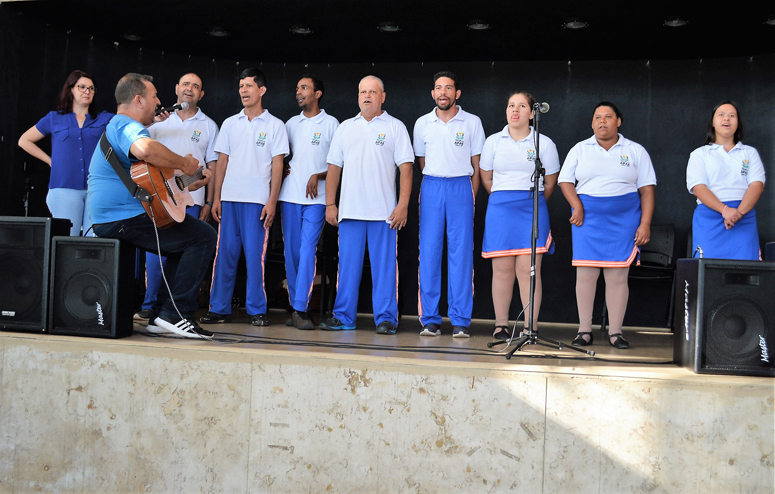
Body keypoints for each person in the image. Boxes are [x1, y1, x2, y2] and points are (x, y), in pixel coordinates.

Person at [87, 73, 216, 338]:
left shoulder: (120, 126)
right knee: (203, 236)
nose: (159, 102)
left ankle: (160, 316)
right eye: (154, 96)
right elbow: (146, 149)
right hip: (122, 218)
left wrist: (189, 182)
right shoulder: (125, 125)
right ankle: (175, 313)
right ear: (138, 100)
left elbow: (152, 183)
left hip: (123, 215)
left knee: (185, 238)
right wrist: (184, 162)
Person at [319, 75, 414, 335]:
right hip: (350, 212)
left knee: (385, 268)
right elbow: (333, 168)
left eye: (373, 91)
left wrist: (403, 205)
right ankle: (343, 316)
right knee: (347, 267)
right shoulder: (345, 127)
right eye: (363, 92)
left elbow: (406, 169)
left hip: (384, 213)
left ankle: (386, 318)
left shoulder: (395, 127)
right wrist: (330, 204)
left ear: (383, 96)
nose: (367, 96)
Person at [559, 102, 656, 349]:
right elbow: (565, 181)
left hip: (624, 221)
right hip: (587, 219)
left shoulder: (635, 150)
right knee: (586, 276)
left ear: (618, 121)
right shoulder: (581, 149)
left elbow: (646, 190)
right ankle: (584, 331)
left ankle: (615, 333)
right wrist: (577, 205)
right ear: (592, 123)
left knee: (617, 277)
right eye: (597, 117)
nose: (602, 121)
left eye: (608, 117)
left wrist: (645, 223)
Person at [199, 68, 289, 327]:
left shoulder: (275, 125)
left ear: (262, 90)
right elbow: (221, 163)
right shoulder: (230, 123)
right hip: (229, 200)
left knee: (255, 257)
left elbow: (277, 166)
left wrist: (272, 201)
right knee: (224, 255)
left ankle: (257, 310)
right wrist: (216, 198)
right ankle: (218, 308)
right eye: (241, 86)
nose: (244, 91)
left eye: (249, 86)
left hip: (257, 202)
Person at [134, 73, 220, 322]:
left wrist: (209, 202)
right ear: (176, 89)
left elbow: (212, 168)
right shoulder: (157, 120)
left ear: (201, 94)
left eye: (196, 86)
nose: (190, 89)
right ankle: (151, 305)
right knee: (156, 255)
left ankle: (176, 309)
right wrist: (150, 123)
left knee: (186, 254)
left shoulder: (209, 125)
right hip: (158, 197)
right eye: (185, 84)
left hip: (192, 198)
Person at [480, 91, 560, 341]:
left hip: (532, 208)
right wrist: (505, 199)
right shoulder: (493, 141)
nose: (515, 110)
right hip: (501, 209)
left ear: (532, 112)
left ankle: (530, 326)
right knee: (502, 269)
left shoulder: (543, 143)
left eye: (522, 105)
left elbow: (551, 181)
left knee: (529, 270)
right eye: (511, 105)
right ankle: (501, 325)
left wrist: (532, 203)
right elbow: (487, 177)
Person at [413, 71, 485, 338]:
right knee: (429, 252)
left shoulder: (472, 122)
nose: (443, 92)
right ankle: (430, 319)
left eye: (449, 88)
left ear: (457, 93)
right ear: (433, 93)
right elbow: (421, 162)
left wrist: (472, 194)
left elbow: (478, 165)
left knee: (461, 253)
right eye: (438, 88)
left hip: (461, 187)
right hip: (432, 185)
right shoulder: (422, 123)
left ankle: (460, 320)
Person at [19, 70, 113, 236]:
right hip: (64, 188)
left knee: (94, 239)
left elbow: (129, 125)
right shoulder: (54, 118)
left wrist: (153, 119)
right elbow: (24, 141)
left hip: (96, 189)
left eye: (91, 88)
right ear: (71, 90)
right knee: (67, 238)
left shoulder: (104, 118)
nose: (87, 91)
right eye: (82, 87)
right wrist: (50, 161)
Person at [280, 74, 339, 330]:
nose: (298, 92)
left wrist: (318, 174)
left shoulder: (331, 123)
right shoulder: (290, 124)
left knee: (307, 251)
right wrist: (281, 168)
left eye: (304, 88)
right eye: (297, 88)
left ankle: (302, 309)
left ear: (317, 93)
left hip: (317, 200)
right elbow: (280, 158)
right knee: (292, 252)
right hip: (289, 196)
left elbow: (339, 163)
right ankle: (296, 307)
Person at [686, 101, 765, 260]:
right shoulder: (700, 154)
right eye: (721, 115)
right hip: (710, 217)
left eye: (732, 115)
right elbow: (699, 188)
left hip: (743, 217)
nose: (726, 119)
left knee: (745, 274)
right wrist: (725, 210)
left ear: (738, 123)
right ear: (713, 123)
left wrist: (738, 213)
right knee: (707, 273)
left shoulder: (749, 153)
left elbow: (757, 185)